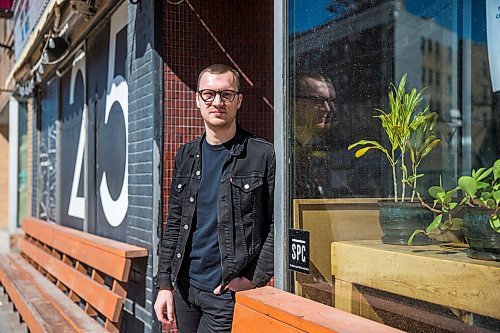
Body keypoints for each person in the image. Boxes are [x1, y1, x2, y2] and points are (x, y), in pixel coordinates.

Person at [154, 64, 275, 332]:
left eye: (226, 94)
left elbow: (276, 226)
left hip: (225, 295)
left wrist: (253, 279)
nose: (217, 102)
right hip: (185, 290)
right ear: (198, 99)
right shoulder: (186, 156)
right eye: (208, 94)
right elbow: (174, 223)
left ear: (238, 100)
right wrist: (165, 285)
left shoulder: (262, 155)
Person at [292, 73, 337, 198]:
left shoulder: (316, 147)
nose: (329, 109)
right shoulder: (282, 152)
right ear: (295, 103)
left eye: (331, 101)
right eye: (319, 101)